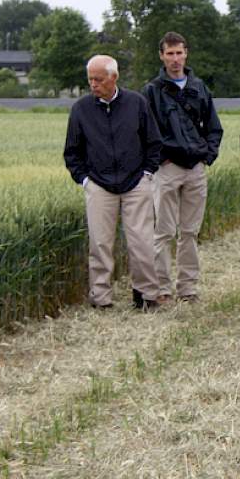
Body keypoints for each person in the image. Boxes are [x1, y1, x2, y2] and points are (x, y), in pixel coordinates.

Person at [64, 55, 162, 310]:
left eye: (98, 79)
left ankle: (146, 295)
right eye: (90, 80)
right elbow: (72, 152)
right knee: (99, 243)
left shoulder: (137, 103)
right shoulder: (81, 109)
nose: (93, 85)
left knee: (141, 242)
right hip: (98, 185)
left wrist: (147, 173)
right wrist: (84, 180)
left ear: (114, 78)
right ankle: (101, 298)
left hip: (136, 183)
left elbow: (153, 142)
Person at [142, 31, 223, 305]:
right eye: (170, 53)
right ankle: (162, 289)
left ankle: (188, 288)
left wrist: (207, 156)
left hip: (195, 168)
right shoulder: (152, 91)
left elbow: (214, 127)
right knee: (163, 231)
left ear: (186, 53)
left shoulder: (199, 87)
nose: (175, 59)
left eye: (179, 52)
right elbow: (145, 131)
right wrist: (160, 159)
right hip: (167, 169)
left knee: (189, 232)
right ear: (162, 56)